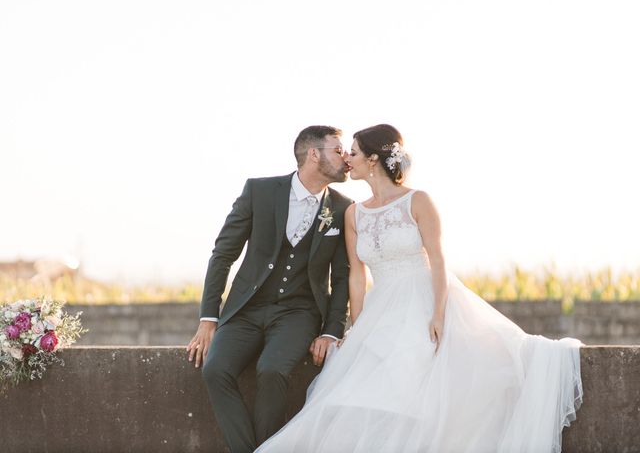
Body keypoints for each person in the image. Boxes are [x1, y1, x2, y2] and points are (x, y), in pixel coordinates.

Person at [256, 124, 583, 453]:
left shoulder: (418, 201)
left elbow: (438, 261)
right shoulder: (354, 214)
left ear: (372, 159)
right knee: (356, 392)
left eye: (352, 152)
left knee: (421, 383)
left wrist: (438, 315)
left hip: (426, 299)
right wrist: (358, 325)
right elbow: (357, 275)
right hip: (382, 304)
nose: (346, 159)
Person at [186, 125, 353, 453]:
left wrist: (332, 331)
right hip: (246, 308)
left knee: (272, 370)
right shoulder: (259, 191)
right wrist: (209, 318)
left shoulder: (343, 208)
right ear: (313, 154)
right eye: (338, 149)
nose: (345, 157)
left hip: (299, 313)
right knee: (215, 369)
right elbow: (223, 254)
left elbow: (344, 277)